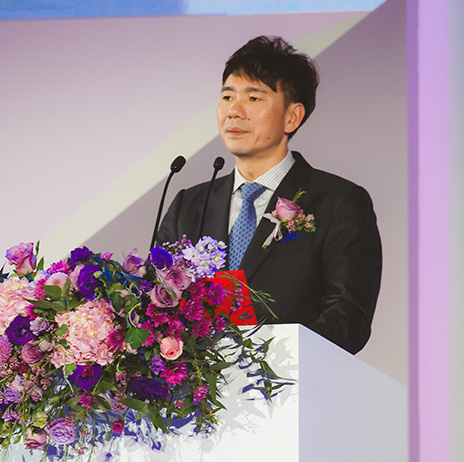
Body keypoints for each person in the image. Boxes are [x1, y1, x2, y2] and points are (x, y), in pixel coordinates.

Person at [157, 36, 382, 354]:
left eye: (253, 98)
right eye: (227, 96)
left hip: (289, 380)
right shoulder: (188, 205)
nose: (234, 111)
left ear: (292, 117)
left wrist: (269, 358)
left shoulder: (337, 202)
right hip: (195, 384)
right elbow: (157, 301)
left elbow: (348, 317)